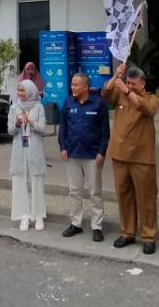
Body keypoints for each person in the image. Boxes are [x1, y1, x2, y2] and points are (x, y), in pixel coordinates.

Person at [101, 62, 159, 253]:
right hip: (119, 153)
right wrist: (115, 76)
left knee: (146, 198)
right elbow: (104, 95)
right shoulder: (119, 94)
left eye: (134, 83)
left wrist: (127, 90)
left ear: (142, 84)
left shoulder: (152, 99)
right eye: (128, 82)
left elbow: (145, 108)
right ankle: (127, 232)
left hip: (142, 156)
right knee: (124, 196)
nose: (130, 85)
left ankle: (149, 235)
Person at [59, 72, 109, 242]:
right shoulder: (68, 102)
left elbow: (105, 131)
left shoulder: (98, 103)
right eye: (72, 84)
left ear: (86, 87)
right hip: (72, 153)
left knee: (95, 192)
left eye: (76, 84)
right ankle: (76, 223)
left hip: (92, 155)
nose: (72, 87)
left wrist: (102, 151)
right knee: (74, 191)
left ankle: (97, 226)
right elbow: (63, 127)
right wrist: (62, 146)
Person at [8, 79, 50, 231]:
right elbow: (10, 131)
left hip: (35, 147)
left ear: (31, 91)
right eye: (19, 91)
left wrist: (30, 121)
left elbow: (43, 128)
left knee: (36, 180)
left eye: (23, 91)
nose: (20, 94)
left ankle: (38, 214)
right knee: (20, 181)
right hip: (20, 148)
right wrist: (18, 124)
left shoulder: (39, 107)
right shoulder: (14, 108)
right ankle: (23, 215)